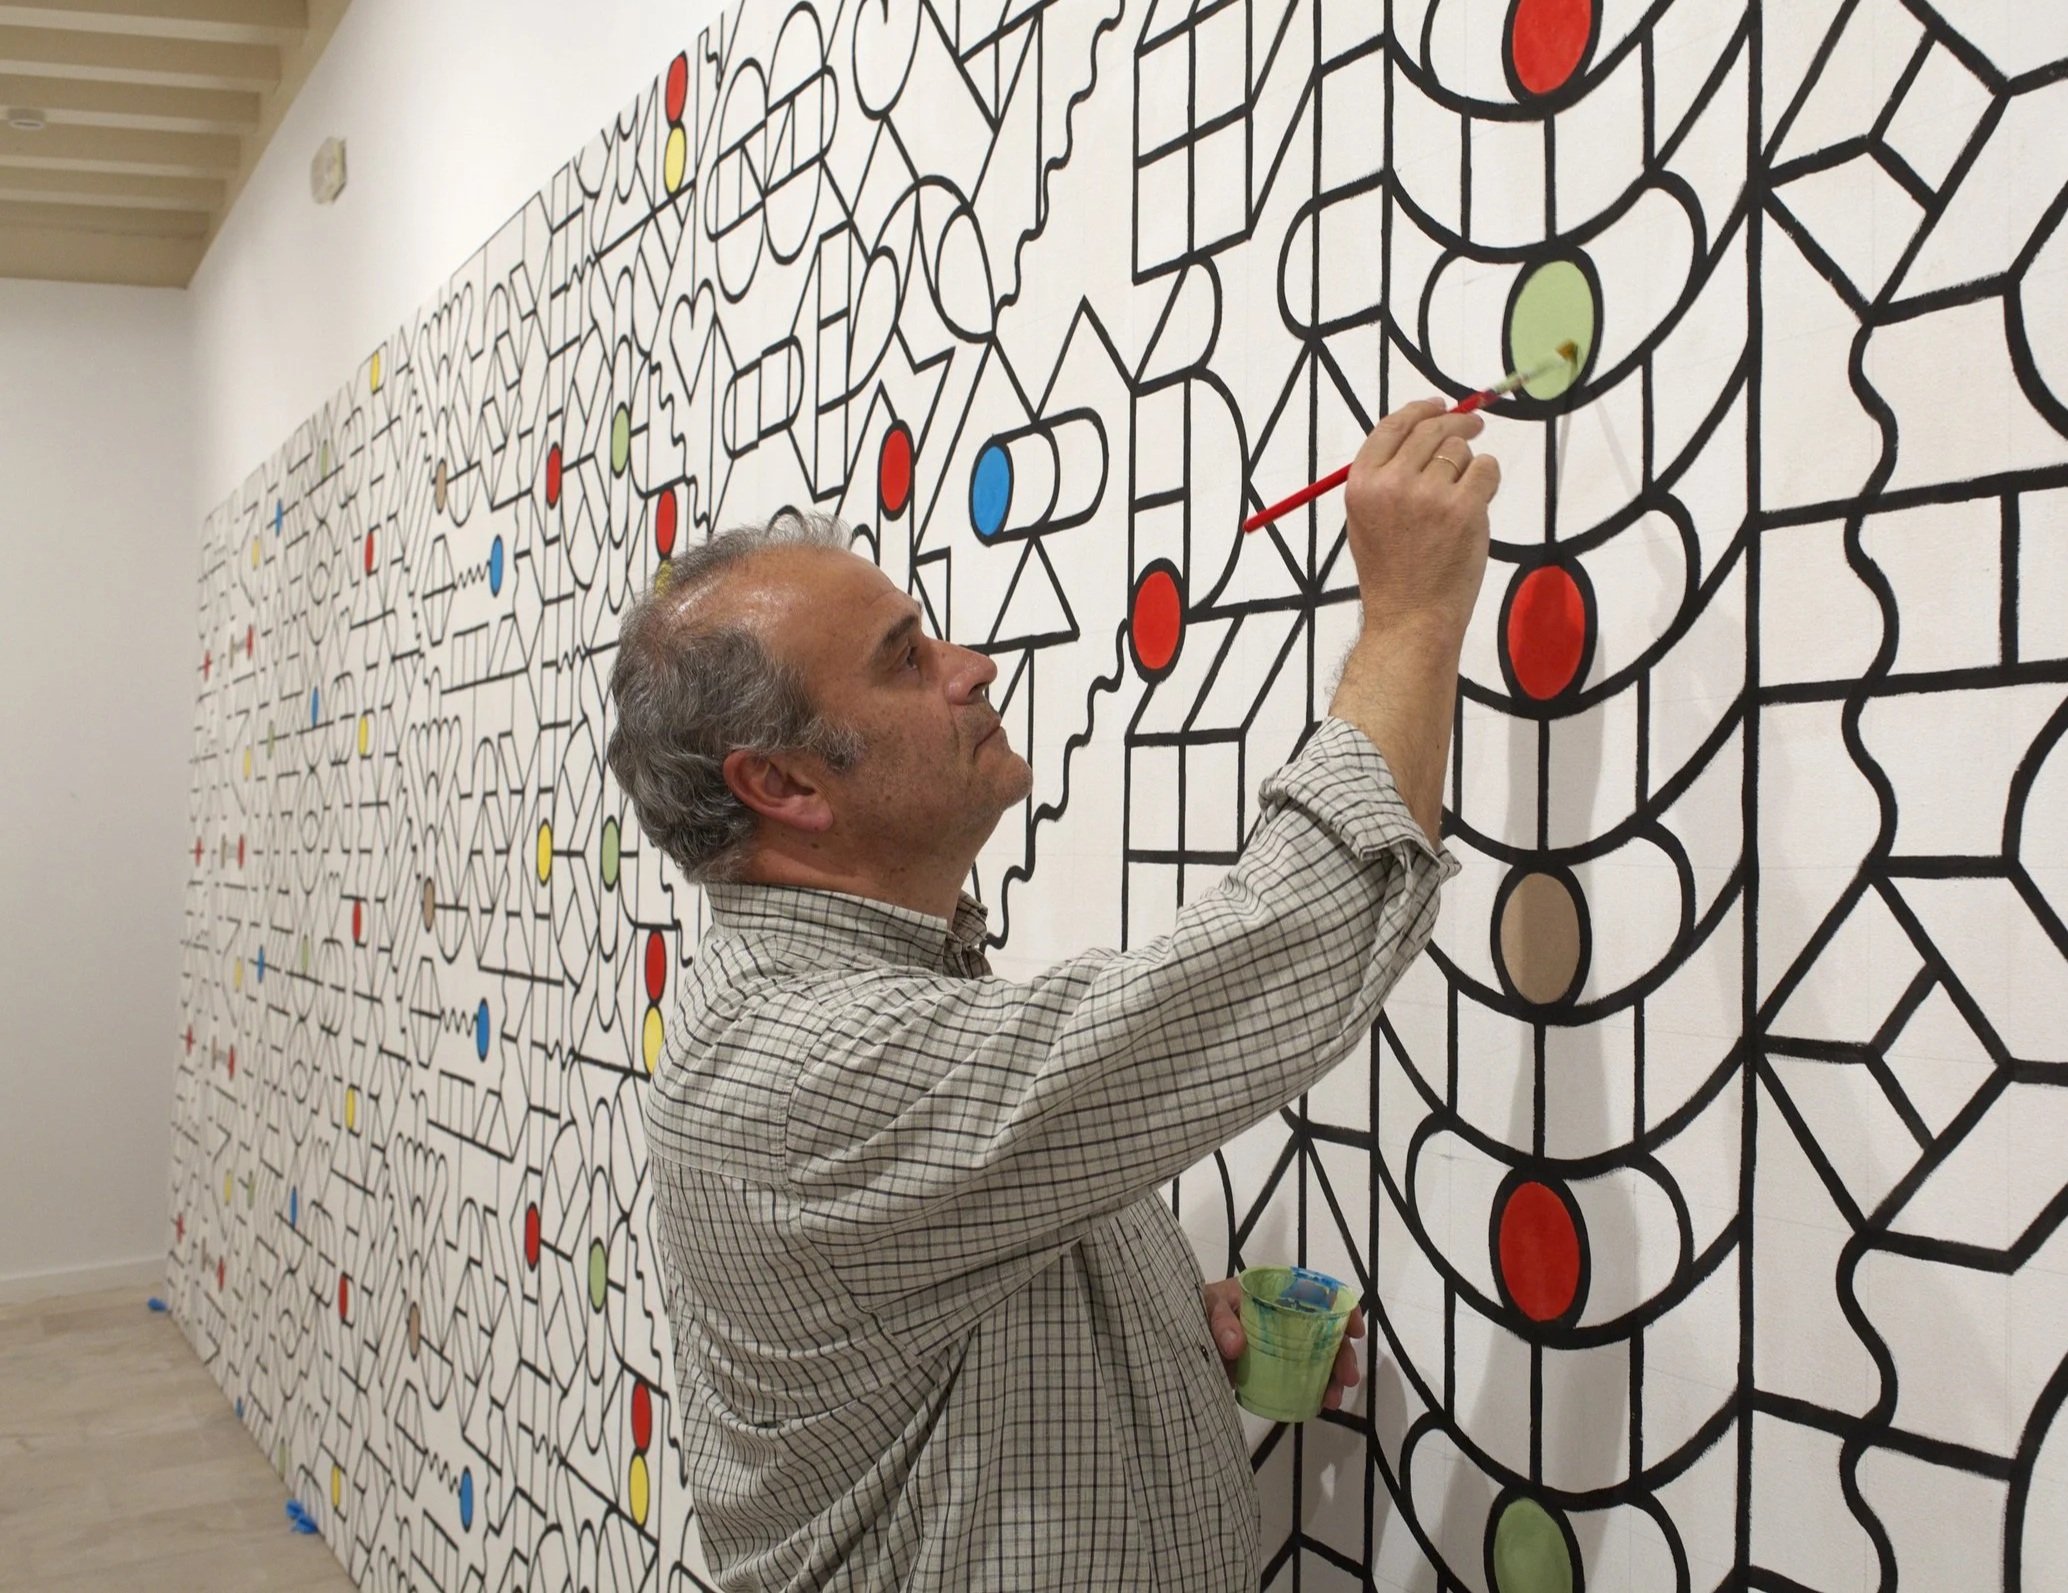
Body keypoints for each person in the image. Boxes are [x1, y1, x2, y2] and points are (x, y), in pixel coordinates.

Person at [606, 399, 1499, 1591]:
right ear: (781, 783)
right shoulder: (801, 1061)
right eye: (905, 659)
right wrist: (1411, 614)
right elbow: (1285, 949)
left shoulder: (900, 998)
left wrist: (1166, 1329)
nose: (971, 668)